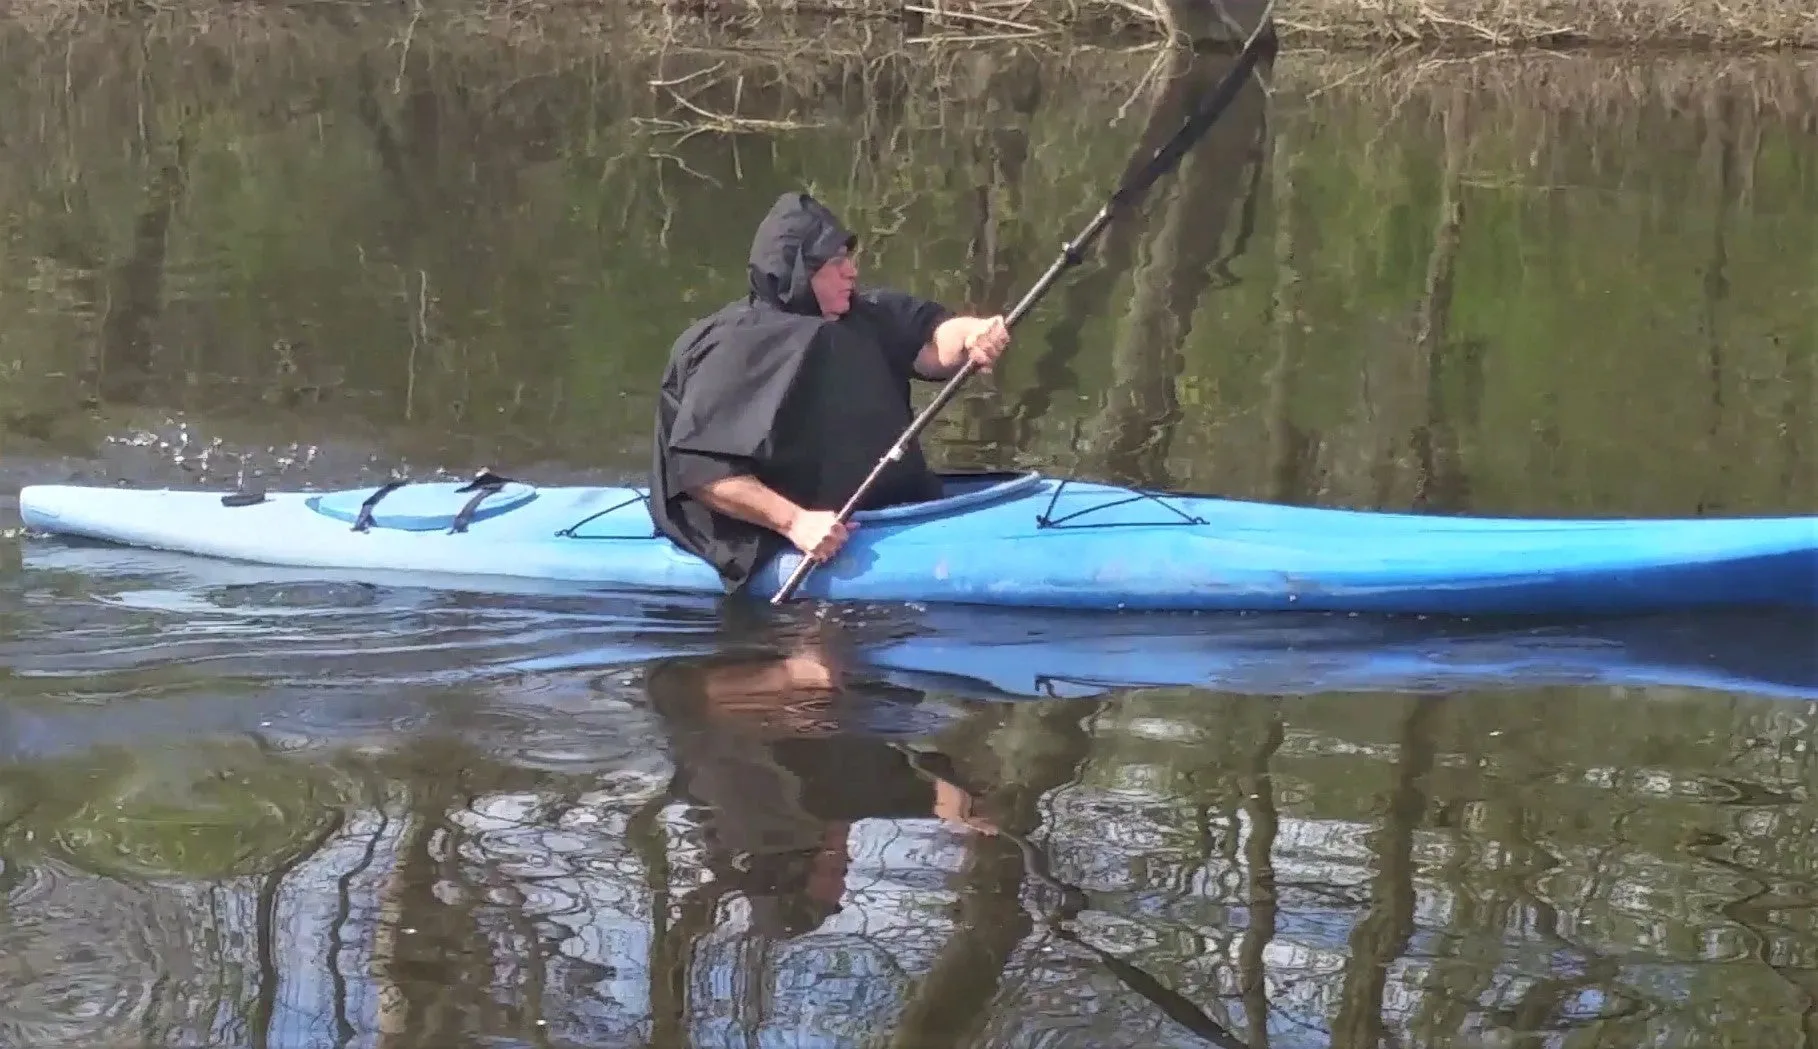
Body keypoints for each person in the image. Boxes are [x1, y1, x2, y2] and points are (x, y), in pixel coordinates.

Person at [650, 190, 1012, 594]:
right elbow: (702, 472)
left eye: (849, 259)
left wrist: (973, 335)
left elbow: (933, 341)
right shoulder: (734, 348)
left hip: (886, 512)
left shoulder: (866, 314)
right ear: (799, 272)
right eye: (835, 264)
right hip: (776, 528)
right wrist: (795, 522)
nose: (852, 272)